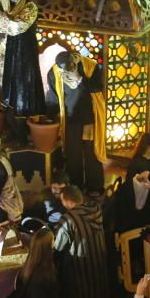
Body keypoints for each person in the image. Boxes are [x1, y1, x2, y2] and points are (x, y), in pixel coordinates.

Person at [53, 185, 108, 298]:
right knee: (97, 295)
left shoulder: (69, 219)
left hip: (80, 266)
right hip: (98, 262)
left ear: (67, 201)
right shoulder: (96, 208)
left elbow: (58, 247)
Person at [46, 50, 106, 194]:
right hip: (70, 120)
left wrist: (79, 79)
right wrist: (49, 118)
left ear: (74, 61)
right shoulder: (54, 72)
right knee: (73, 155)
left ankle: (95, 187)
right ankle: (76, 187)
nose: (66, 71)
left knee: (92, 154)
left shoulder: (91, 66)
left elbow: (98, 88)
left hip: (88, 119)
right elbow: (53, 97)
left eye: (70, 67)